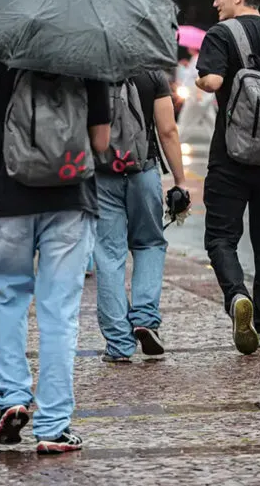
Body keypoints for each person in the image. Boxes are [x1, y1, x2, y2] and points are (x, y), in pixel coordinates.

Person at [0, 52, 110, 454]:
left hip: (10, 199)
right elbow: (100, 142)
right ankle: (53, 426)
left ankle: (11, 398)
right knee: (59, 311)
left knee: (7, 298)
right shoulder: (87, 56)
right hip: (72, 199)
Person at [195, 0, 260, 354]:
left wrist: (201, 80)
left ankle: (235, 297)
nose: (215, 3)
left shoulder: (220, 35)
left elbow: (212, 82)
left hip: (229, 155)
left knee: (220, 237)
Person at [94, 71, 188, 362]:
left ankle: (119, 344)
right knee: (149, 244)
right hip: (143, 172)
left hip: (102, 174)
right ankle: (145, 318)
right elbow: (168, 130)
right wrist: (180, 181)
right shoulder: (152, 74)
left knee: (109, 256)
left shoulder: (92, 69)